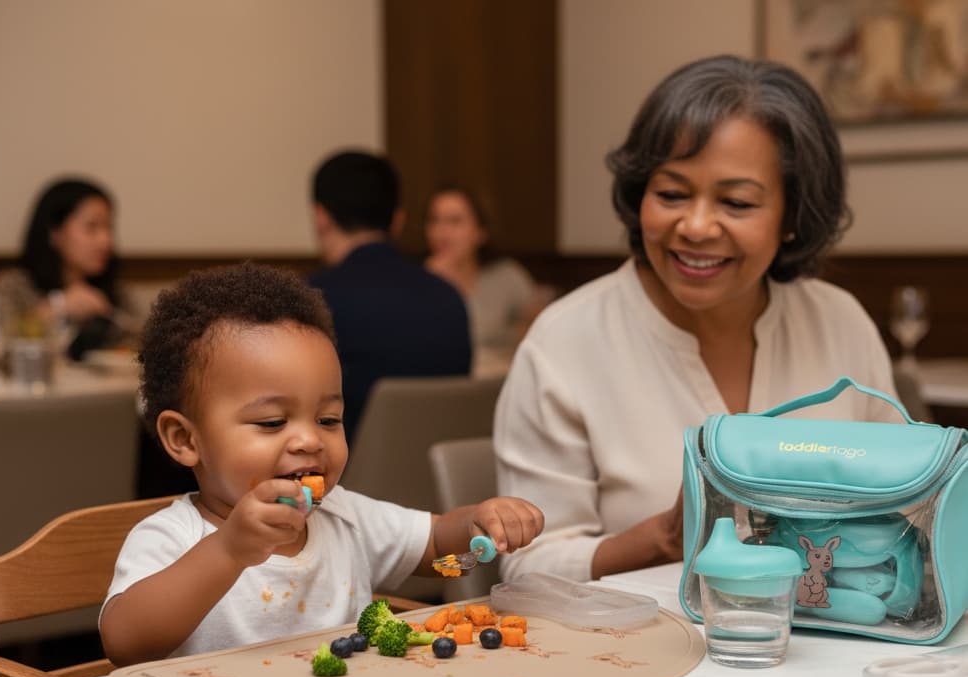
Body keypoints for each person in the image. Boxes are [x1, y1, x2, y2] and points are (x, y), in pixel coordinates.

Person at [493, 54, 899, 583]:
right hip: (634, 653)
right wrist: (663, 538)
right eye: (671, 194)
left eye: (735, 202)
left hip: (837, 644)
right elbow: (527, 568)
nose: (697, 225)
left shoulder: (838, 321)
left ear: (794, 216)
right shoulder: (564, 342)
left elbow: (904, 510)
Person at [99, 262, 543, 664]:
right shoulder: (173, 537)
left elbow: (434, 548)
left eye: (329, 419)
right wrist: (229, 550)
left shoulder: (343, 518)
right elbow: (125, 642)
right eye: (272, 422)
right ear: (185, 439)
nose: (310, 439)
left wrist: (479, 525)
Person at [308, 151, 472, 445]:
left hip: (343, 484)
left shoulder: (311, 303)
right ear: (397, 220)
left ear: (321, 217)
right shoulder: (449, 298)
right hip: (442, 482)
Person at [0, 177, 136, 359]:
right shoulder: (13, 285)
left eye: (108, 228)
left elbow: (143, 342)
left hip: (107, 388)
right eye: (92, 227)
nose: (105, 241)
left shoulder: (115, 290)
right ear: (54, 233)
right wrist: (59, 306)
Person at [424, 186, 554, 376]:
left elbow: (544, 327)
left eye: (455, 221)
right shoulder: (420, 282)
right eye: (434, 221)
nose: (442, 232)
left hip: (499, 384)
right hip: (446, 384)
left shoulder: (506, 276)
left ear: (480, 232)